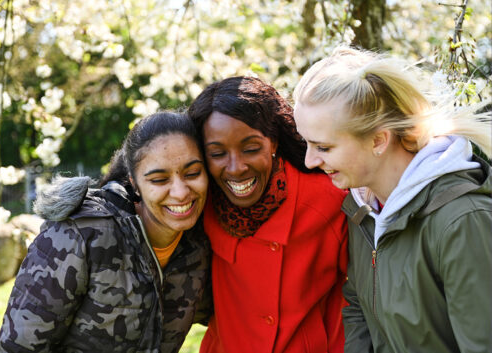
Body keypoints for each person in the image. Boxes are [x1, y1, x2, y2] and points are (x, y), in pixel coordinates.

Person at [292, 46, 492, 353]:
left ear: (378, 141)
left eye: (324, 147)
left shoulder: (463, 221)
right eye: (306, 142)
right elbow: (358, 305)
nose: (309, 160)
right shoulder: (364, 209)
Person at [0, 112, 212, 353]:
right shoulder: (78, 235)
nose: (181, 192)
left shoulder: (199, 248)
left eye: (192, 173)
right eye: (159, 179)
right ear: (134, 183)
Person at [187, 76, 348, 353]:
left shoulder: (327, 200)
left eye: (250, 149)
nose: (236, 168)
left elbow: (367, 294)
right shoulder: (201, 202)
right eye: (217, 153)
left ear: (273, 142)